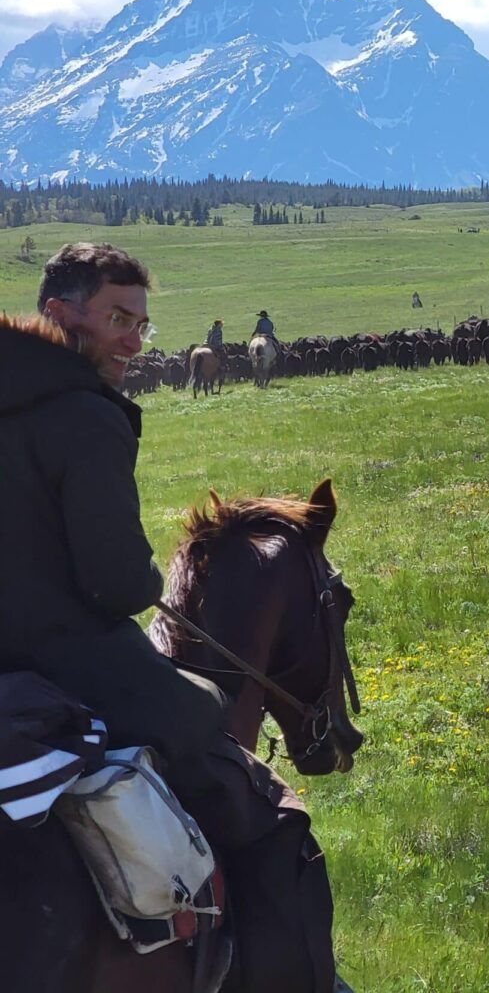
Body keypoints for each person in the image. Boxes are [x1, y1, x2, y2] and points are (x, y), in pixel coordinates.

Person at [0, 243, 341, 991]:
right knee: (272, 820)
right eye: (117, 317)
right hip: (77, 664)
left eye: (142, 325)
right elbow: (117, 583)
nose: (132, 338)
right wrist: (150, 571)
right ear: (60, 313)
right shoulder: (85, 415)